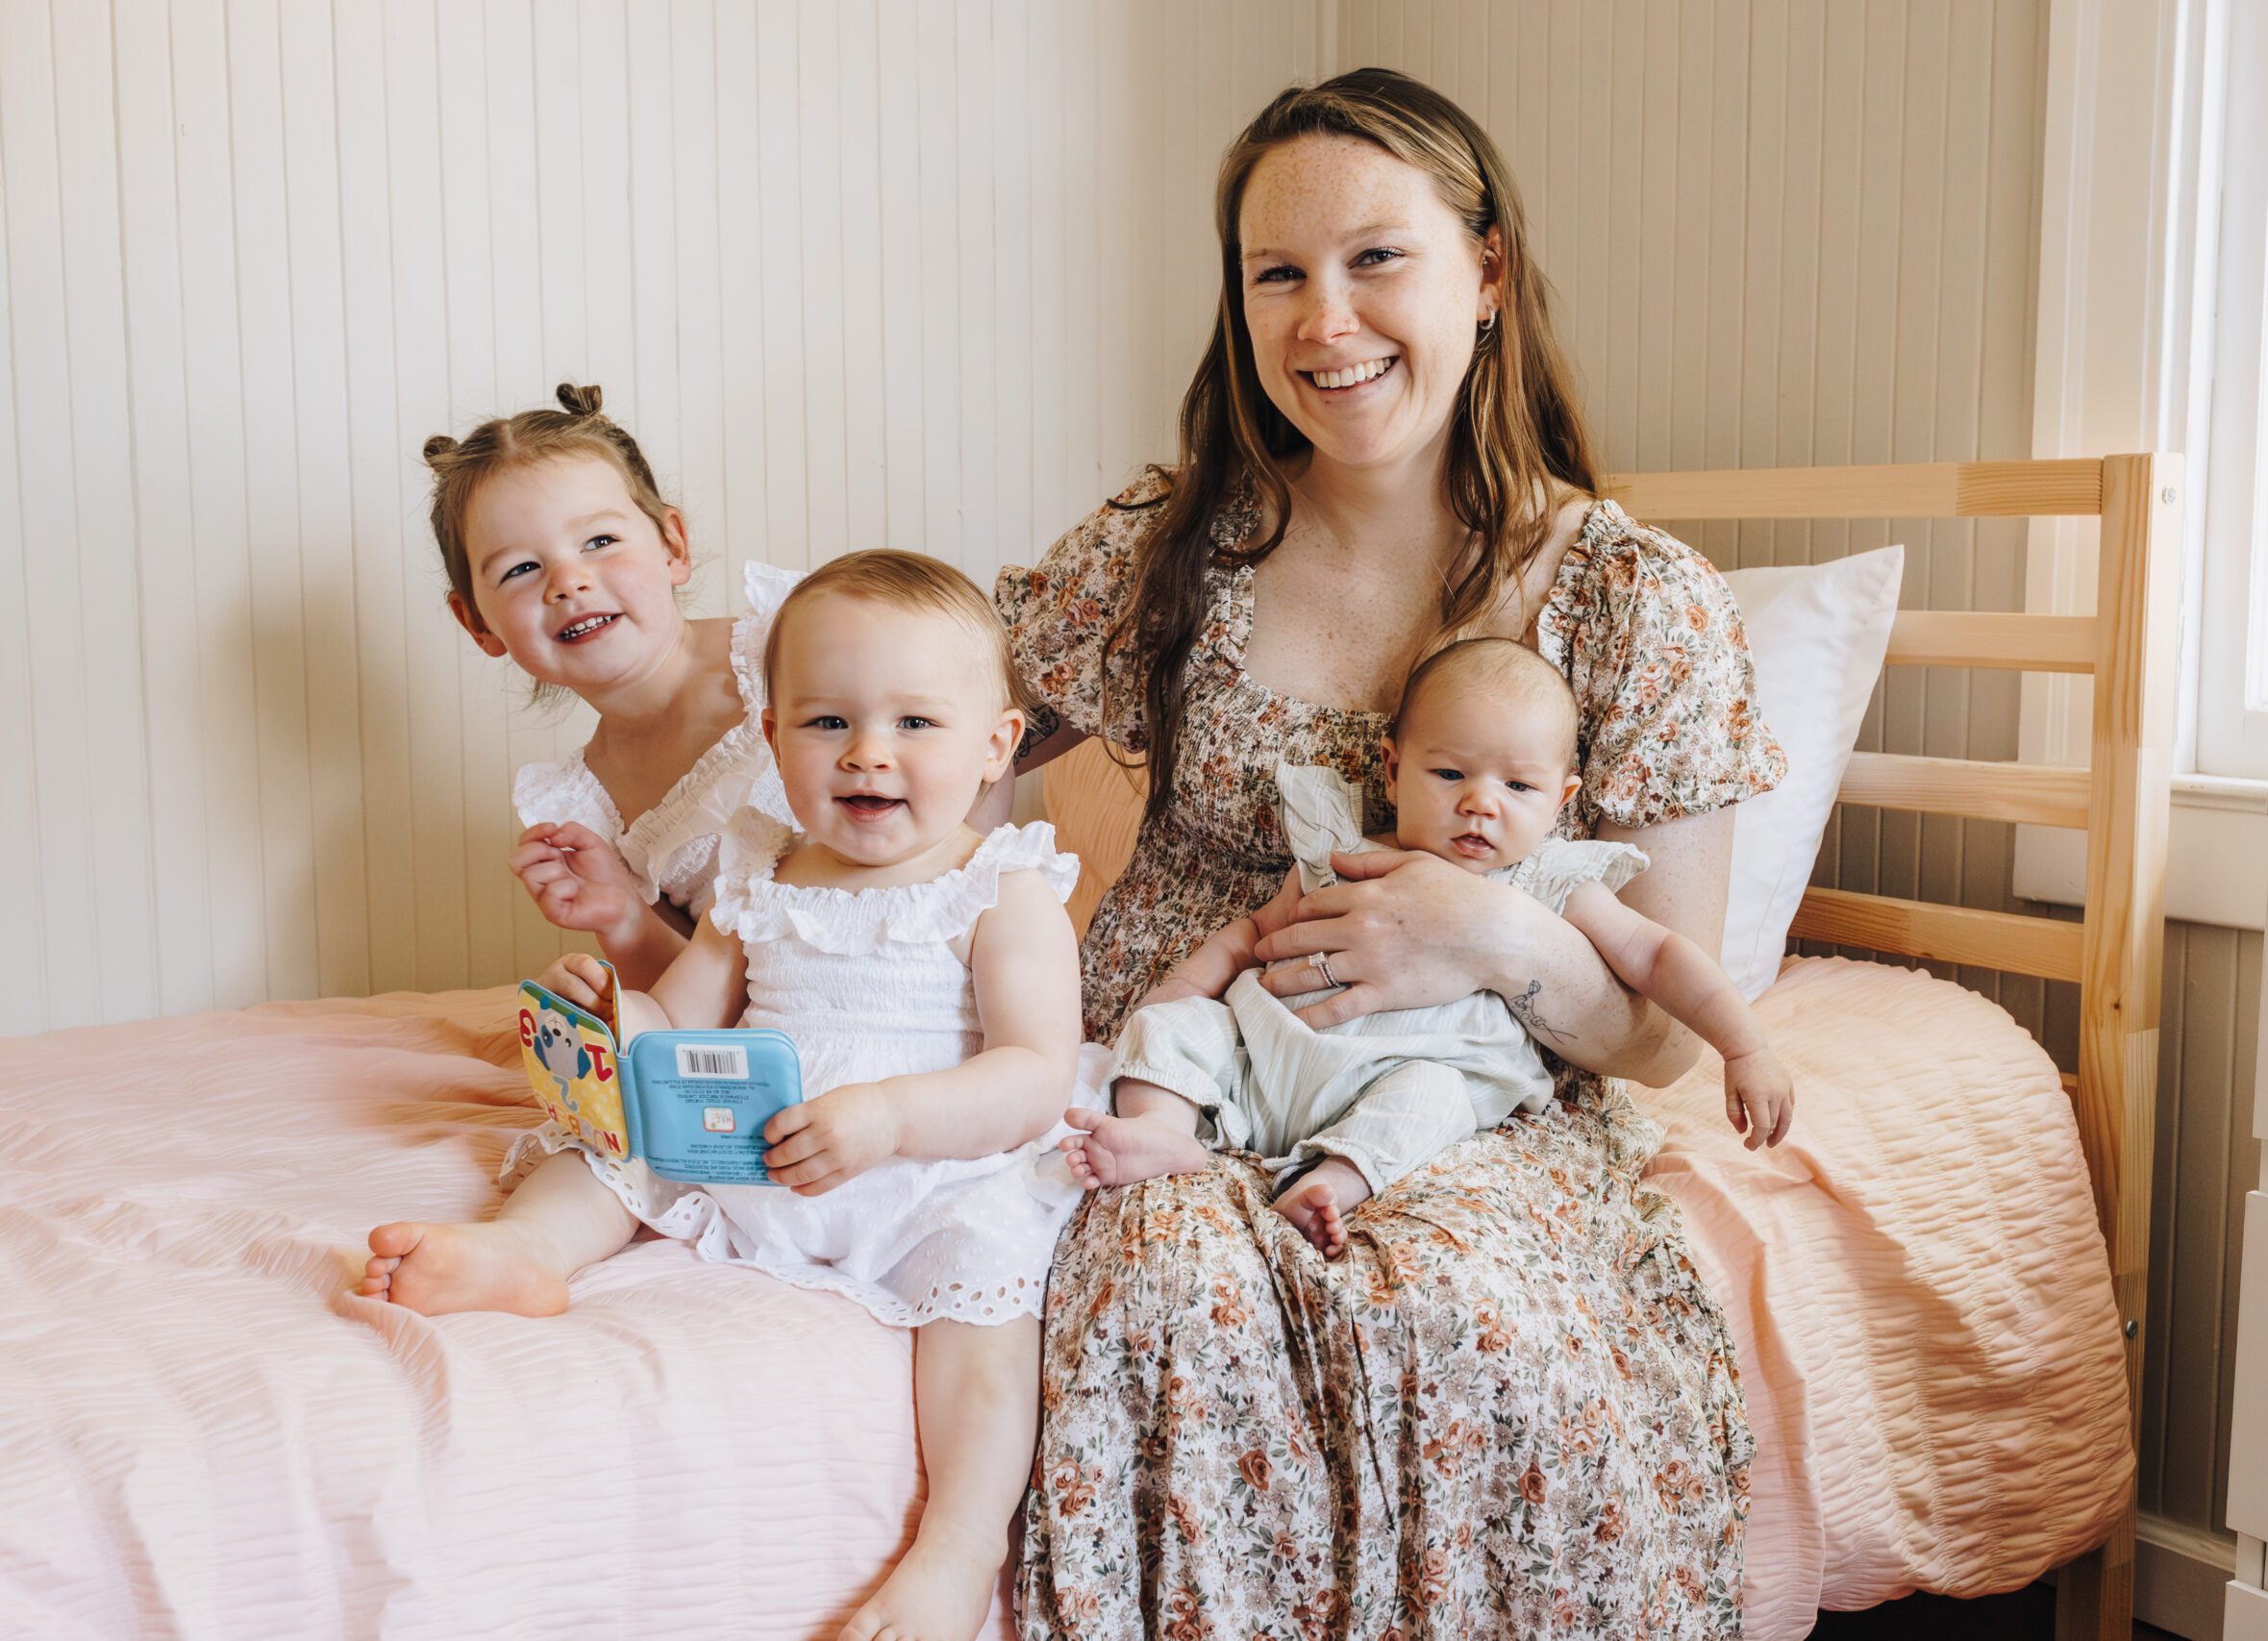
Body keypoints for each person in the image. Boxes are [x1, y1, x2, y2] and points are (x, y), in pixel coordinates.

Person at [995, 67, 1785, 1636]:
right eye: (1276, 272)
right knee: (1167, 1279)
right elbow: (924, 742)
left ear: (1487, 272)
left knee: (1473, 1320)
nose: (1323, 319)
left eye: (1376, 259)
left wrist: (1485, 935)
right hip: (1188, 1073)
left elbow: (1654, 1035)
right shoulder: (1170, 548)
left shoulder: (1641, 601)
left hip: (1477, 1099)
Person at [362, 552, 1088, 1641]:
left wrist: (891, 1117)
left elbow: (1033, 1075)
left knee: (988, 1309)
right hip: (762, 1155)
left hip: (930, 1176)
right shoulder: (763, 871)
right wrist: (614, 1022)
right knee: (616, 1148)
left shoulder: (1002, 886)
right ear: (770, 736)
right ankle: (527, 1253)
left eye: (914, 726)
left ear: (996, 745)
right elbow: (686, 1018)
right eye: (827, 722)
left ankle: (958, 1543)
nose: (868, 754)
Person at [1061, 637, 1795, 1256]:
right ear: (1392, 768)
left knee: (1436, 1102)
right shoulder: (1340, 851)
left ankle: (1333, 1182)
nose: (1482, 801)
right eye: (1450, 773)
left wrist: (1745, 1045)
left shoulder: (1549, 881)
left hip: (1395, 1077)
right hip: (1262, 1061)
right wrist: (1181, 992)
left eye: (1519, 784)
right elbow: (1251, 933)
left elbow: (1659, 955)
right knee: (1168, 1029)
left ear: (1562, 800)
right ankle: (1163, 1134)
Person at [422, 383, 796, 989]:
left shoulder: (792, 647)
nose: (567, 582)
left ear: (673, 545)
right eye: (521, 569)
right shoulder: (587, 812)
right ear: (477, 624)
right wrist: (623, 920)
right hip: (791, 1034)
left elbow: (965, 746)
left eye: (599, 542)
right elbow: (697, 1000)